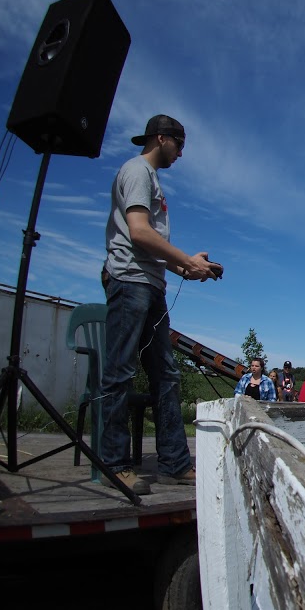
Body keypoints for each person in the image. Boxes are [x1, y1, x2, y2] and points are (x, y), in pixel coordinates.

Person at [99, 115, 222, 495]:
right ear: (162, 138)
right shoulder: (137, 170)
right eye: (179, 145)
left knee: (166, 376)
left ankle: (173, 462)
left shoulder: (150, 179)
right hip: (129, 281)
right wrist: (184, 259)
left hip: (150, 284)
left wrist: (189, 267)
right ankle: (114, 463)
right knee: (119, 371)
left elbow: (150, 243)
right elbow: (138, 232)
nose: (181, 154)